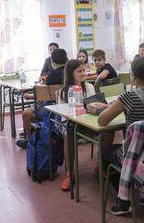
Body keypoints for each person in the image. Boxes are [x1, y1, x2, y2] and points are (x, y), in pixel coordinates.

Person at [98, 56, 144, 215]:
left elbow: (102, 121)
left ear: (133, 75)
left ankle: (123, 199)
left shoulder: (127, 97)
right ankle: (143, 190)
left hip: (135, 156)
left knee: (104, 151)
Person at [17, 48, 67, 149]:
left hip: (50, 107)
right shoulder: (69, 74)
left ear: (52, 61)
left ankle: (30, 140)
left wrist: (30, 96)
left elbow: (45, 96)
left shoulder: (51, 76)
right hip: (66, 105)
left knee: (26, 114)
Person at [58, 59, 95, 191]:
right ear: (70, 74)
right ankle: (70, 173)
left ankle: (102, 164)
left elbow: (94, 106)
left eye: (84, 70)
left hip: (88, 122)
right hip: (69, 123)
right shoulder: (64, 91)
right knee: (68, 134)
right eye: (79, 71)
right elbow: (62, 114)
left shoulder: (89, 87)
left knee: (108, 131)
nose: (83, 73)